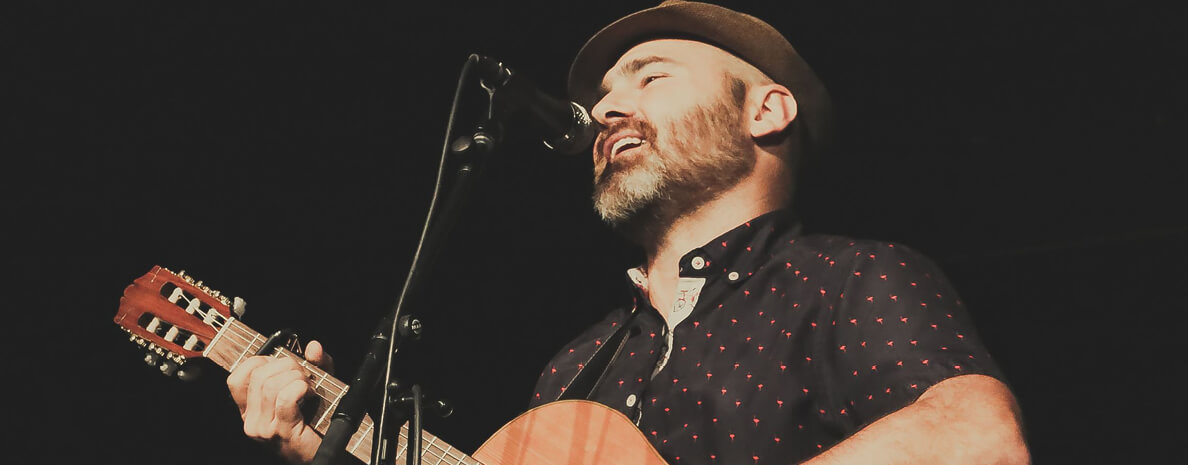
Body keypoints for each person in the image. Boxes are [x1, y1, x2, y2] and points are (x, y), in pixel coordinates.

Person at [227, 2, 1030, 464]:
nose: (607, 108)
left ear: (766, 110)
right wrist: (323, 437)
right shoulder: (575, 367)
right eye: (607, 93)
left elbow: (977, 439)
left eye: (650, 77)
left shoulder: (850, 280)